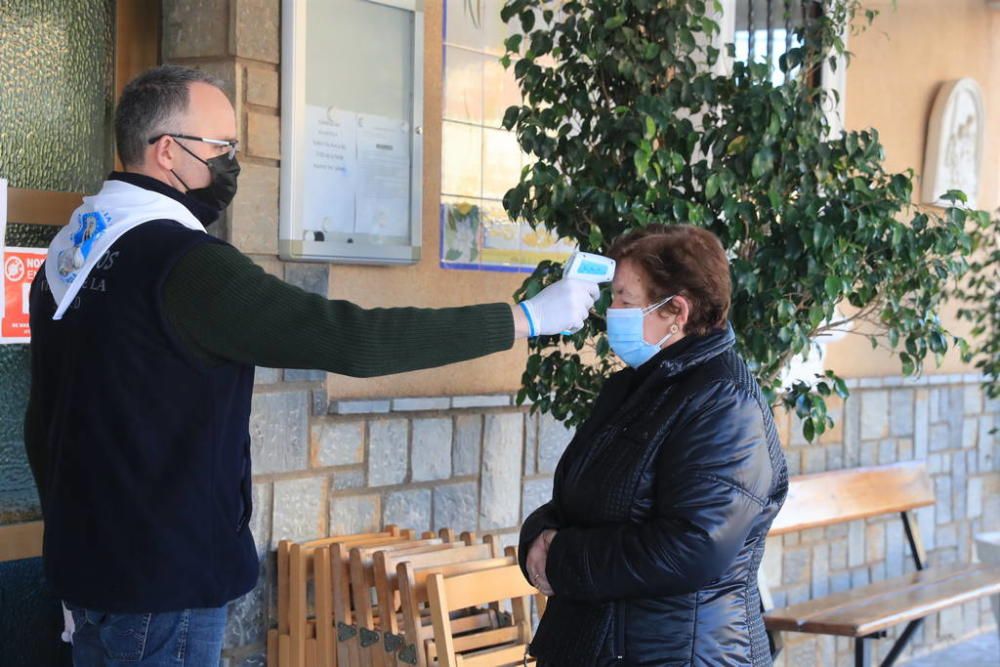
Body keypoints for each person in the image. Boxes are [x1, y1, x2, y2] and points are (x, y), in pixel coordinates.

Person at [23, 64, 598, 665]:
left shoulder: (70, 252)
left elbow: (44, 423)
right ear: (167, 151)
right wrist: (523, 319)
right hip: (162, 584)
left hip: (86, 571)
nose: (231, 164)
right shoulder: (185, 263)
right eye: (221, 147)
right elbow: (349, 339)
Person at [519, 224, 788, 666]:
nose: (611, 311)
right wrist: (536, 540)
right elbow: (577, 499)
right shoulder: (633, 387)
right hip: (596, 643)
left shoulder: (724, 402)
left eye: (625, 299)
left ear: (676, 311)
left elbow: (693, 548)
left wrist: (561, 559)